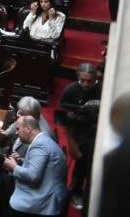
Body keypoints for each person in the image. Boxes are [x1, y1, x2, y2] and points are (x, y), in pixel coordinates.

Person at [4, 116, 67, 217]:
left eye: (18, 129)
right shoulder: (44, 140)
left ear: (28, 129)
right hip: (48, 196)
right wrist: (21, 162)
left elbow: (33, 176)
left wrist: (13, 167)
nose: (16, 133)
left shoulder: (39, 145)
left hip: (43, 203)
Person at [58, 63, 101, 211]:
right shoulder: (70, 91)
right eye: (82, 80)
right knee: (81, 167)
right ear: (78, 77)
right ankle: (76, 191)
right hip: (80, 135)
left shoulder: (103, 90)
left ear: (96, 78)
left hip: (98, 134)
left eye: (89, 81)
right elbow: (64, 118)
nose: (86, 84)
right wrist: (72, 144)